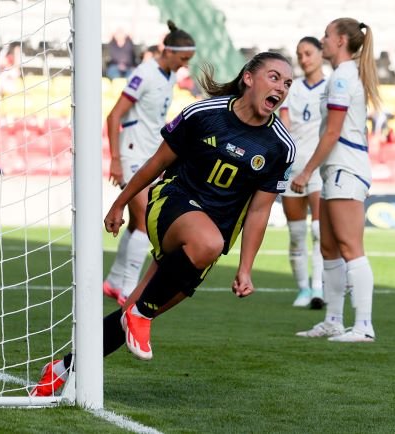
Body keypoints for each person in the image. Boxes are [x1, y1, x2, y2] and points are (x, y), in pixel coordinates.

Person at [30, 51, 296, 396]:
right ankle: (138, 317)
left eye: (288, 83)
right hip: (172, 205)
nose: (282, 87)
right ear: (249, 78)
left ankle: (61, 369)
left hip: (207, 240)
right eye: (274, 77)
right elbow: (157, 162)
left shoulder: (281, 146)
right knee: (203, 249)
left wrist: (246, 268)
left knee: (136, 310)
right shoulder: (204, 114)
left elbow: (259, 211)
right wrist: (120, 202)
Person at [291, 18, 380, 343]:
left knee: (350, 247)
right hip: (335, 170)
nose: (323, 40)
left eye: (327, 35)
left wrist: (305, 171)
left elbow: (332, 132)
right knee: (328, 247)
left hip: (345, 168)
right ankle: (333, 319)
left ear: (341, 40)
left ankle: (364, 326)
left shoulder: (342, 78)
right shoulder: (343, 76)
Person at [103, 21, 195, 306]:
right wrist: (116, 160)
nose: (184, 65)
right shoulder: (144, 73)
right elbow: (114, 115)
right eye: (183, 59)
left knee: (134, 223)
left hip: (148, 158)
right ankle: (130, 287)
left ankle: (115, 280)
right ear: (168, 51)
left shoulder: (167, 76)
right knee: (144, 220)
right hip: (131, 156)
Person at [278, 36, 326, 309]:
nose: (304, 59)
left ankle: (319, 288)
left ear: (320, 53)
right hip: (292, 169)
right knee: (297, 234)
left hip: (318, 168)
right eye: (300, 54)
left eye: (308, 53)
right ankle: (303, 289)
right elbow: (285, 125)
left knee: (319, 231)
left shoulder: (332, 85)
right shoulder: (291, 88)